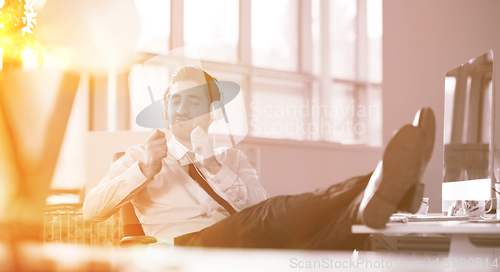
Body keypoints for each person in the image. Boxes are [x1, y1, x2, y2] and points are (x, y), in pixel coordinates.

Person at [83, 65, 435, 250]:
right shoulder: (140, 156)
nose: (181, 109)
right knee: (276, 214)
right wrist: (143, 170)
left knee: (315, 243)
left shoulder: (231, 157)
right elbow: (91, 210)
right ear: (164, 109)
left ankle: (382, 193)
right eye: (174, 101)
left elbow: (255, 205)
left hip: (237, 241)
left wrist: (215, 168)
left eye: (193, 102)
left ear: (212, 113)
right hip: (183, 248)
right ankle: (389, 181)